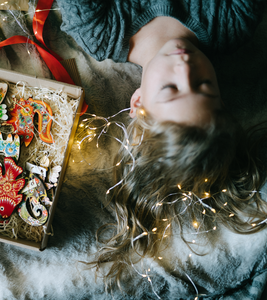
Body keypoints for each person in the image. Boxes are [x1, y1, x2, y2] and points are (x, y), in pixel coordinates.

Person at [57, 0, 267, 292]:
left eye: (170, 89)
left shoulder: (99, 30)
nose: (184, 67)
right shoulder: (232, 21)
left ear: (139, 102)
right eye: (204, 84)